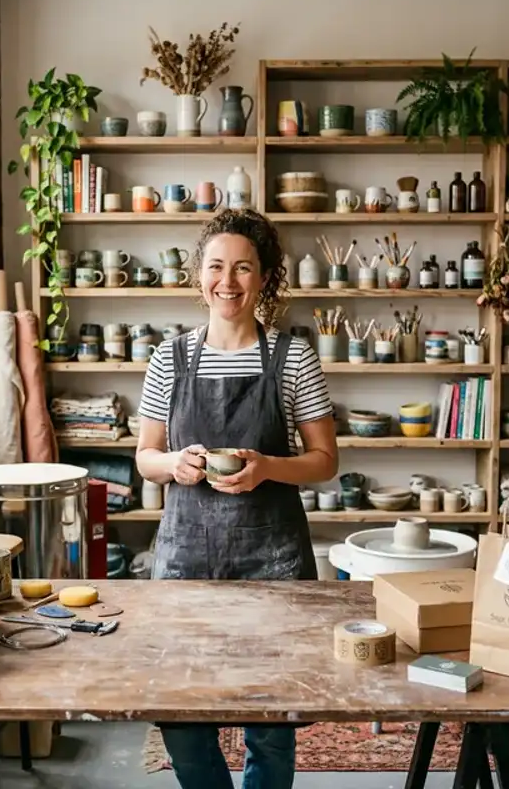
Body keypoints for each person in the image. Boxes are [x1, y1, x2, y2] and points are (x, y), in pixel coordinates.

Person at [136, 207, 338, 788]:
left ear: (265, 276)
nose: (229, 281)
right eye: (217, 266)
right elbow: (145, 457)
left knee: (271, 712)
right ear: (198, 274)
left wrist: (267, 468)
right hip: (184, 558)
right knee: (181, 706)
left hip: (271, 558)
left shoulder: (292, 355)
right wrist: (174, 464)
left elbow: (326, 461)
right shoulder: (168, 357)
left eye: (244, 268)